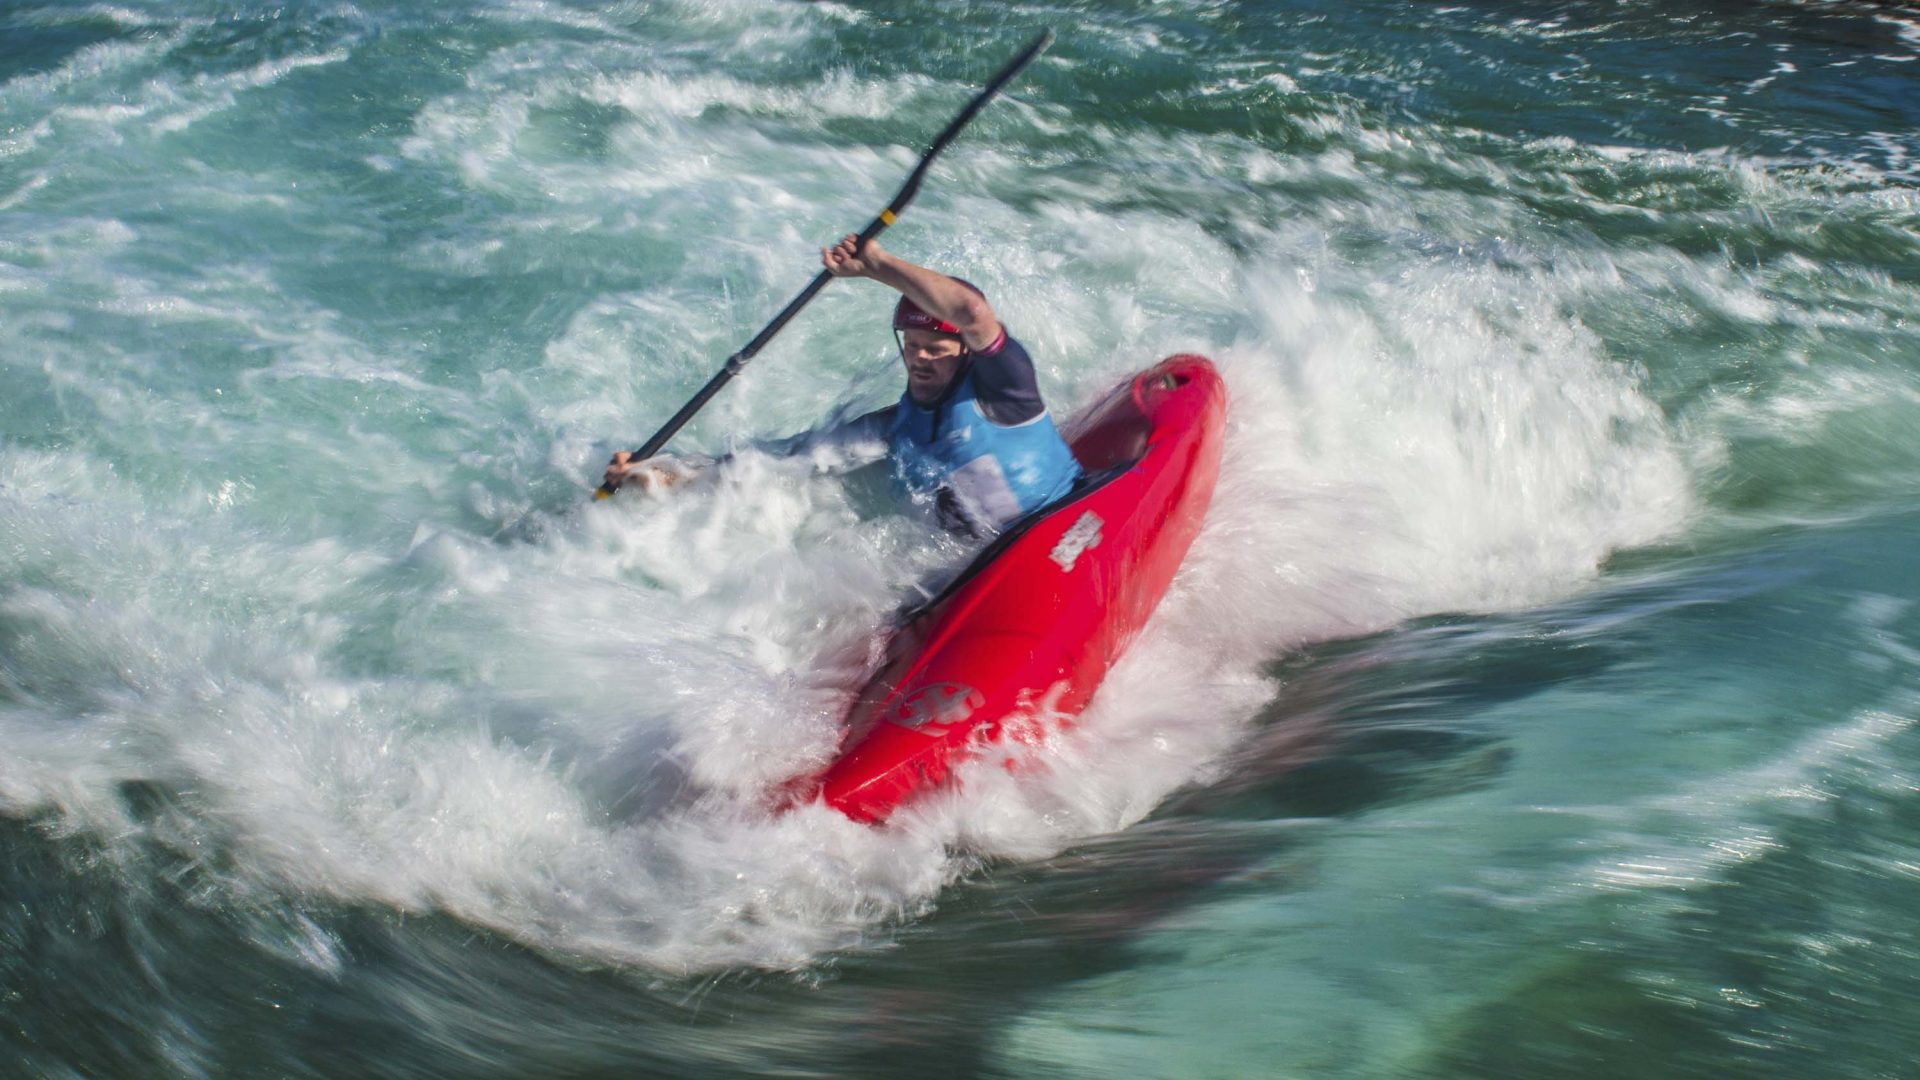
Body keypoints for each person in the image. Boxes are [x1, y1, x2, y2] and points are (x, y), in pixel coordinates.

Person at [604, 235, 1082, 535]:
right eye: (912, 345)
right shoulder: (895, 425)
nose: (919, 357)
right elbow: (776, 460)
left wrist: (877, 265)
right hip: (968, 563)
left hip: (1057, 520)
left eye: (935, 349)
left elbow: (973, 313)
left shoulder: (1005, 389)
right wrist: (657, 473)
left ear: (964, 354)